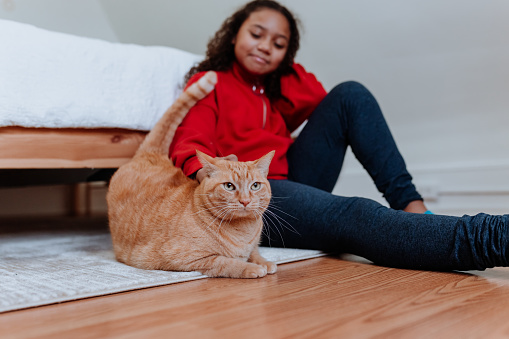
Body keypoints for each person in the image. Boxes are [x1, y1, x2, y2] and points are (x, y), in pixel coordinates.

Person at [169, 0, 509, 271]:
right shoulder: (211, 82)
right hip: (249, 197)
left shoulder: (274, 90)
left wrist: (281, 69)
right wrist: (212, 176)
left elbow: (323, 100)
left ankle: (412, 207)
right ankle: (491, 238)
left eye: (278, 44)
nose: (265, 47)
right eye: (256, 35)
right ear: (233, 34)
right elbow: (189, 142)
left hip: (288, 178)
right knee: (356, 214)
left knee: (350, 94)